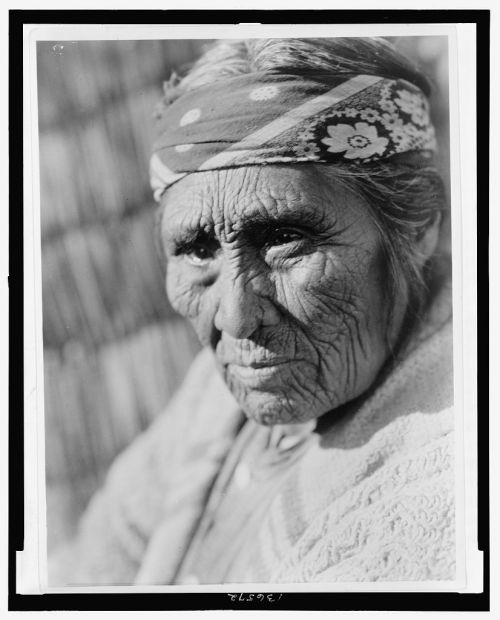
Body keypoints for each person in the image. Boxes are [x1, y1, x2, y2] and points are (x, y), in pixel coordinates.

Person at [49, 37, 454, 585]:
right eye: (197, 249)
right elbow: (96, 563)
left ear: (421, 224)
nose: (236, 318)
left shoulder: (445, 471)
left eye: (286, 238)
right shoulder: (214, 394)